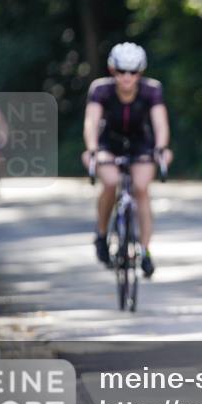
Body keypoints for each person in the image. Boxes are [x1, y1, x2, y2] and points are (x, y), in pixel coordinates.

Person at [82, 42, 172, 277]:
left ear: (140, 72)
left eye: (133, 72)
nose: (127, 77)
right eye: (121, 71)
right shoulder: (101, 89)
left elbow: (160, 123)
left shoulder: (151, 90)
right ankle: (101, 235)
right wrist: (92, 149)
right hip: (107, 145)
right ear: (113, 71)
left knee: (141, 188)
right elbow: (91, 122)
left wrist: (161, 148)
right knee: (111, 182)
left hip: (141, 144)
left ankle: (145, 250)